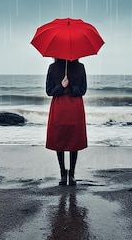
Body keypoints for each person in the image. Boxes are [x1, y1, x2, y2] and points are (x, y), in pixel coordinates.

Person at [45, 58, 88, 186]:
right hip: (61, 106)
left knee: (73, 140)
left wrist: (70, 88)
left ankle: (71, 174)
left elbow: (83, 90)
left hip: (73, 106)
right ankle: (63, 174)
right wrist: (61, 86)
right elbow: (49, 91)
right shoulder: (53, 68)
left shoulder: (80, 67)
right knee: (60, 139)